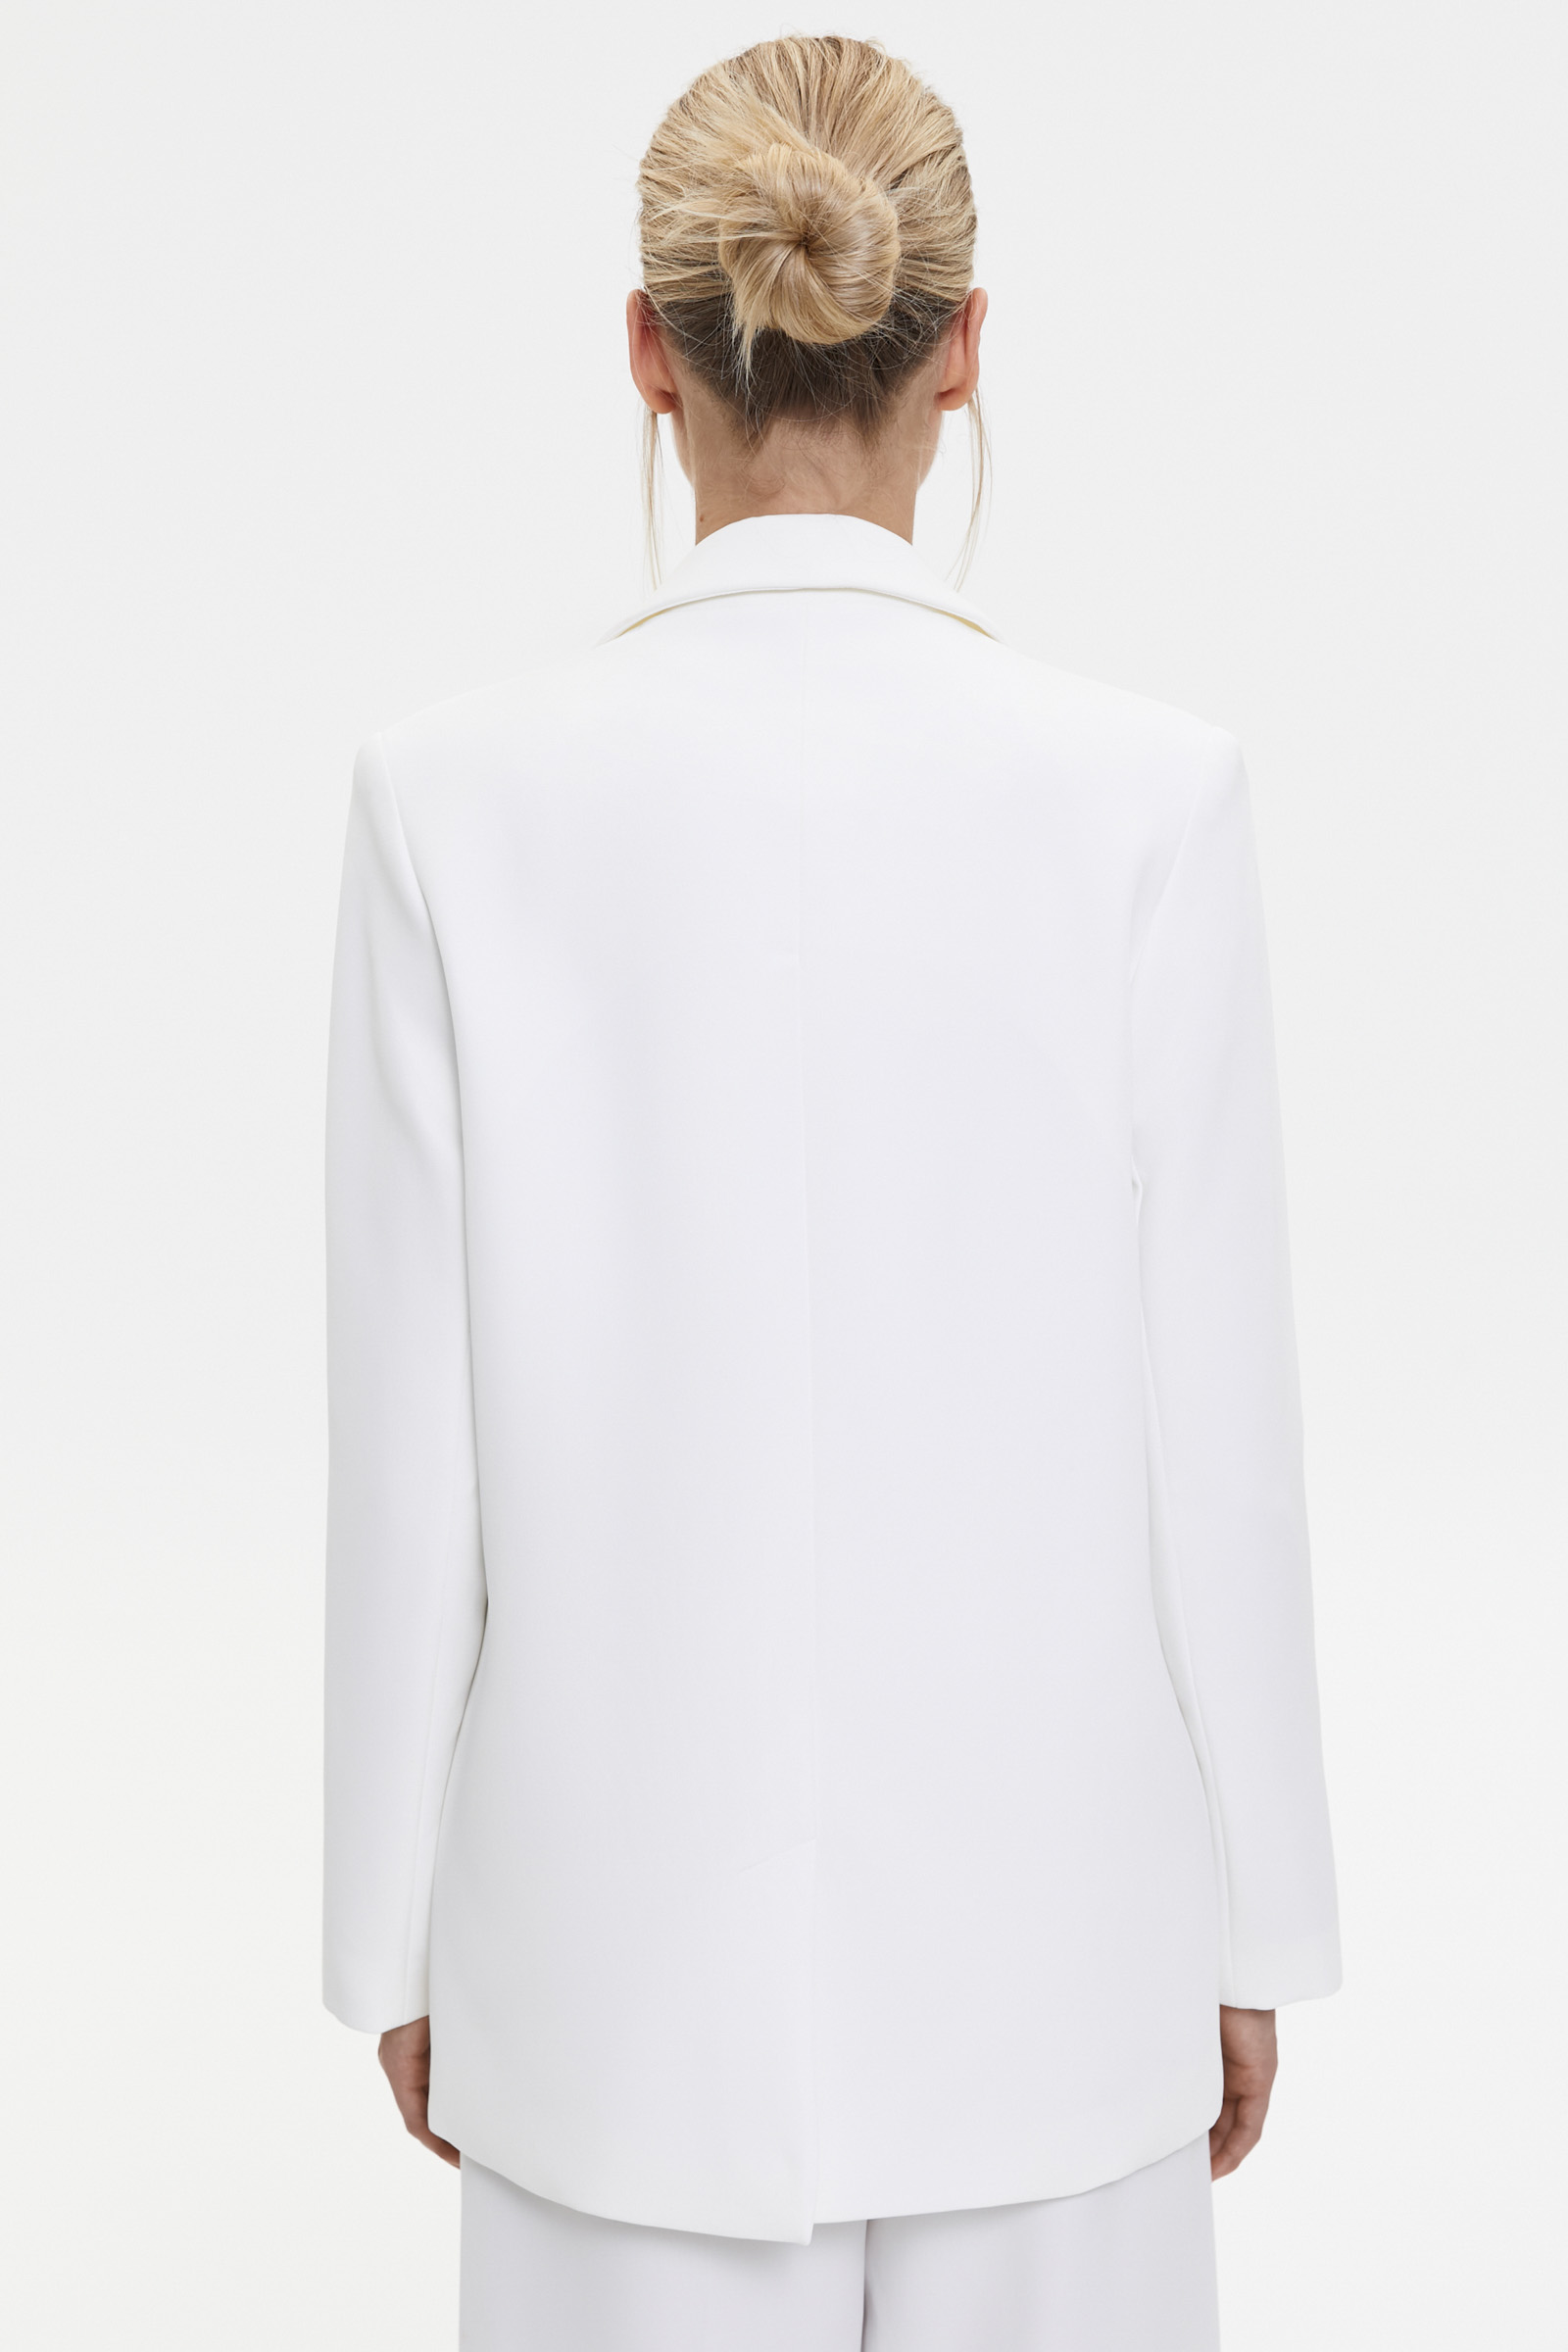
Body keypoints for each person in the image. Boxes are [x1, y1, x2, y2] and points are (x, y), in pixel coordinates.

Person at [322, 34, 1341, 2350]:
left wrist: (390, 1933)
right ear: (960, 348)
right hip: (1057, 1965)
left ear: (646, 348)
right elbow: (1220, 1443)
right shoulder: (1147, 801)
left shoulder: (447, 802)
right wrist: (1254, 1920)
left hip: (607, 1986)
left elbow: (408, 1451)